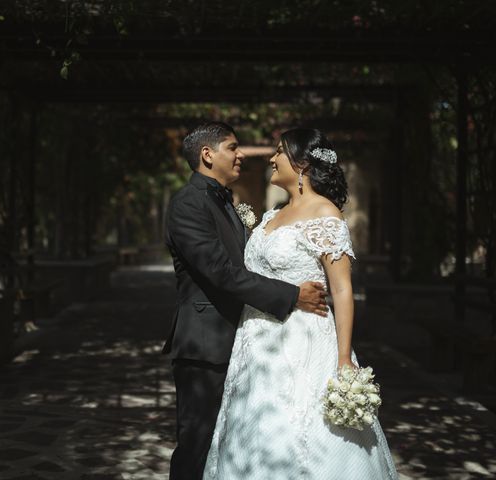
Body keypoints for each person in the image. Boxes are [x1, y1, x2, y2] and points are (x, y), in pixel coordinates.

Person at [203, 128, 398, 479]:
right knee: (253, 434)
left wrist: (342, 359)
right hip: (255, 348)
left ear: (303, 164)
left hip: (303, 342)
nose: (272, 159)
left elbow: (341, 290)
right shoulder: (273, 213)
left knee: (297, 435)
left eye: (279, 152)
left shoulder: (324, 213)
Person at [164, 122, 329, 480]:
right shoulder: (187, 205)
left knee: (228, 447)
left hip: (241, 343)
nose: (241, 155)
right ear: (207, 155)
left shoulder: (226, 201)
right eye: (232, 147)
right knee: (197, 446)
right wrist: (292, 295)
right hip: (205, 345)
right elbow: (221, 272)